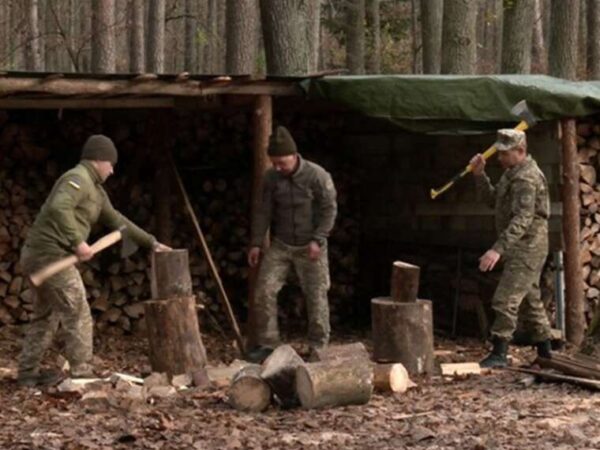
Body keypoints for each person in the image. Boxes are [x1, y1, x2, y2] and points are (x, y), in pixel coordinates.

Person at [17, 134, 170, 387]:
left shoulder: (96, 191)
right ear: (98, 159)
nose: (112, 170)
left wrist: (151, 242)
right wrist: (78, 241)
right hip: (49, 255)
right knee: (78, 311)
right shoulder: (77, 178)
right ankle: (81, 372)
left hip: (41, 256)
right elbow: (58, 207)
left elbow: (118, 221)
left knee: (46, 316)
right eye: (111, 164)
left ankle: (27, 374)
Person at [247, 126, 337, 362]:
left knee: (316, 295)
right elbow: (263, 211)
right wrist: (256, 242)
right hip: (282, 244)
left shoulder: (317, 176)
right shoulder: (271, 178)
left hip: (311, 245)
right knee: (264, 291)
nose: (278, 167)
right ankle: (268, 345)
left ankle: (318, 346)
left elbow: (329, 209)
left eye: (282, 163)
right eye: (274, 163)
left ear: (294, 156)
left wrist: (319, 238)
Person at [470, 128, 553, 368]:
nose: (500, 158)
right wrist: (480, 175)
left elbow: (523, 219)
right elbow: (493, 200)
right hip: (519, 246)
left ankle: (499, 353)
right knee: (530, 300)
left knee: (505, 299)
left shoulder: (527, 178)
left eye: (505, 153)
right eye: (500, 153)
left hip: (528, 246)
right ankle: (546, 352)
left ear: (520, 151)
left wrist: (497, 249)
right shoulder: (512, 173)